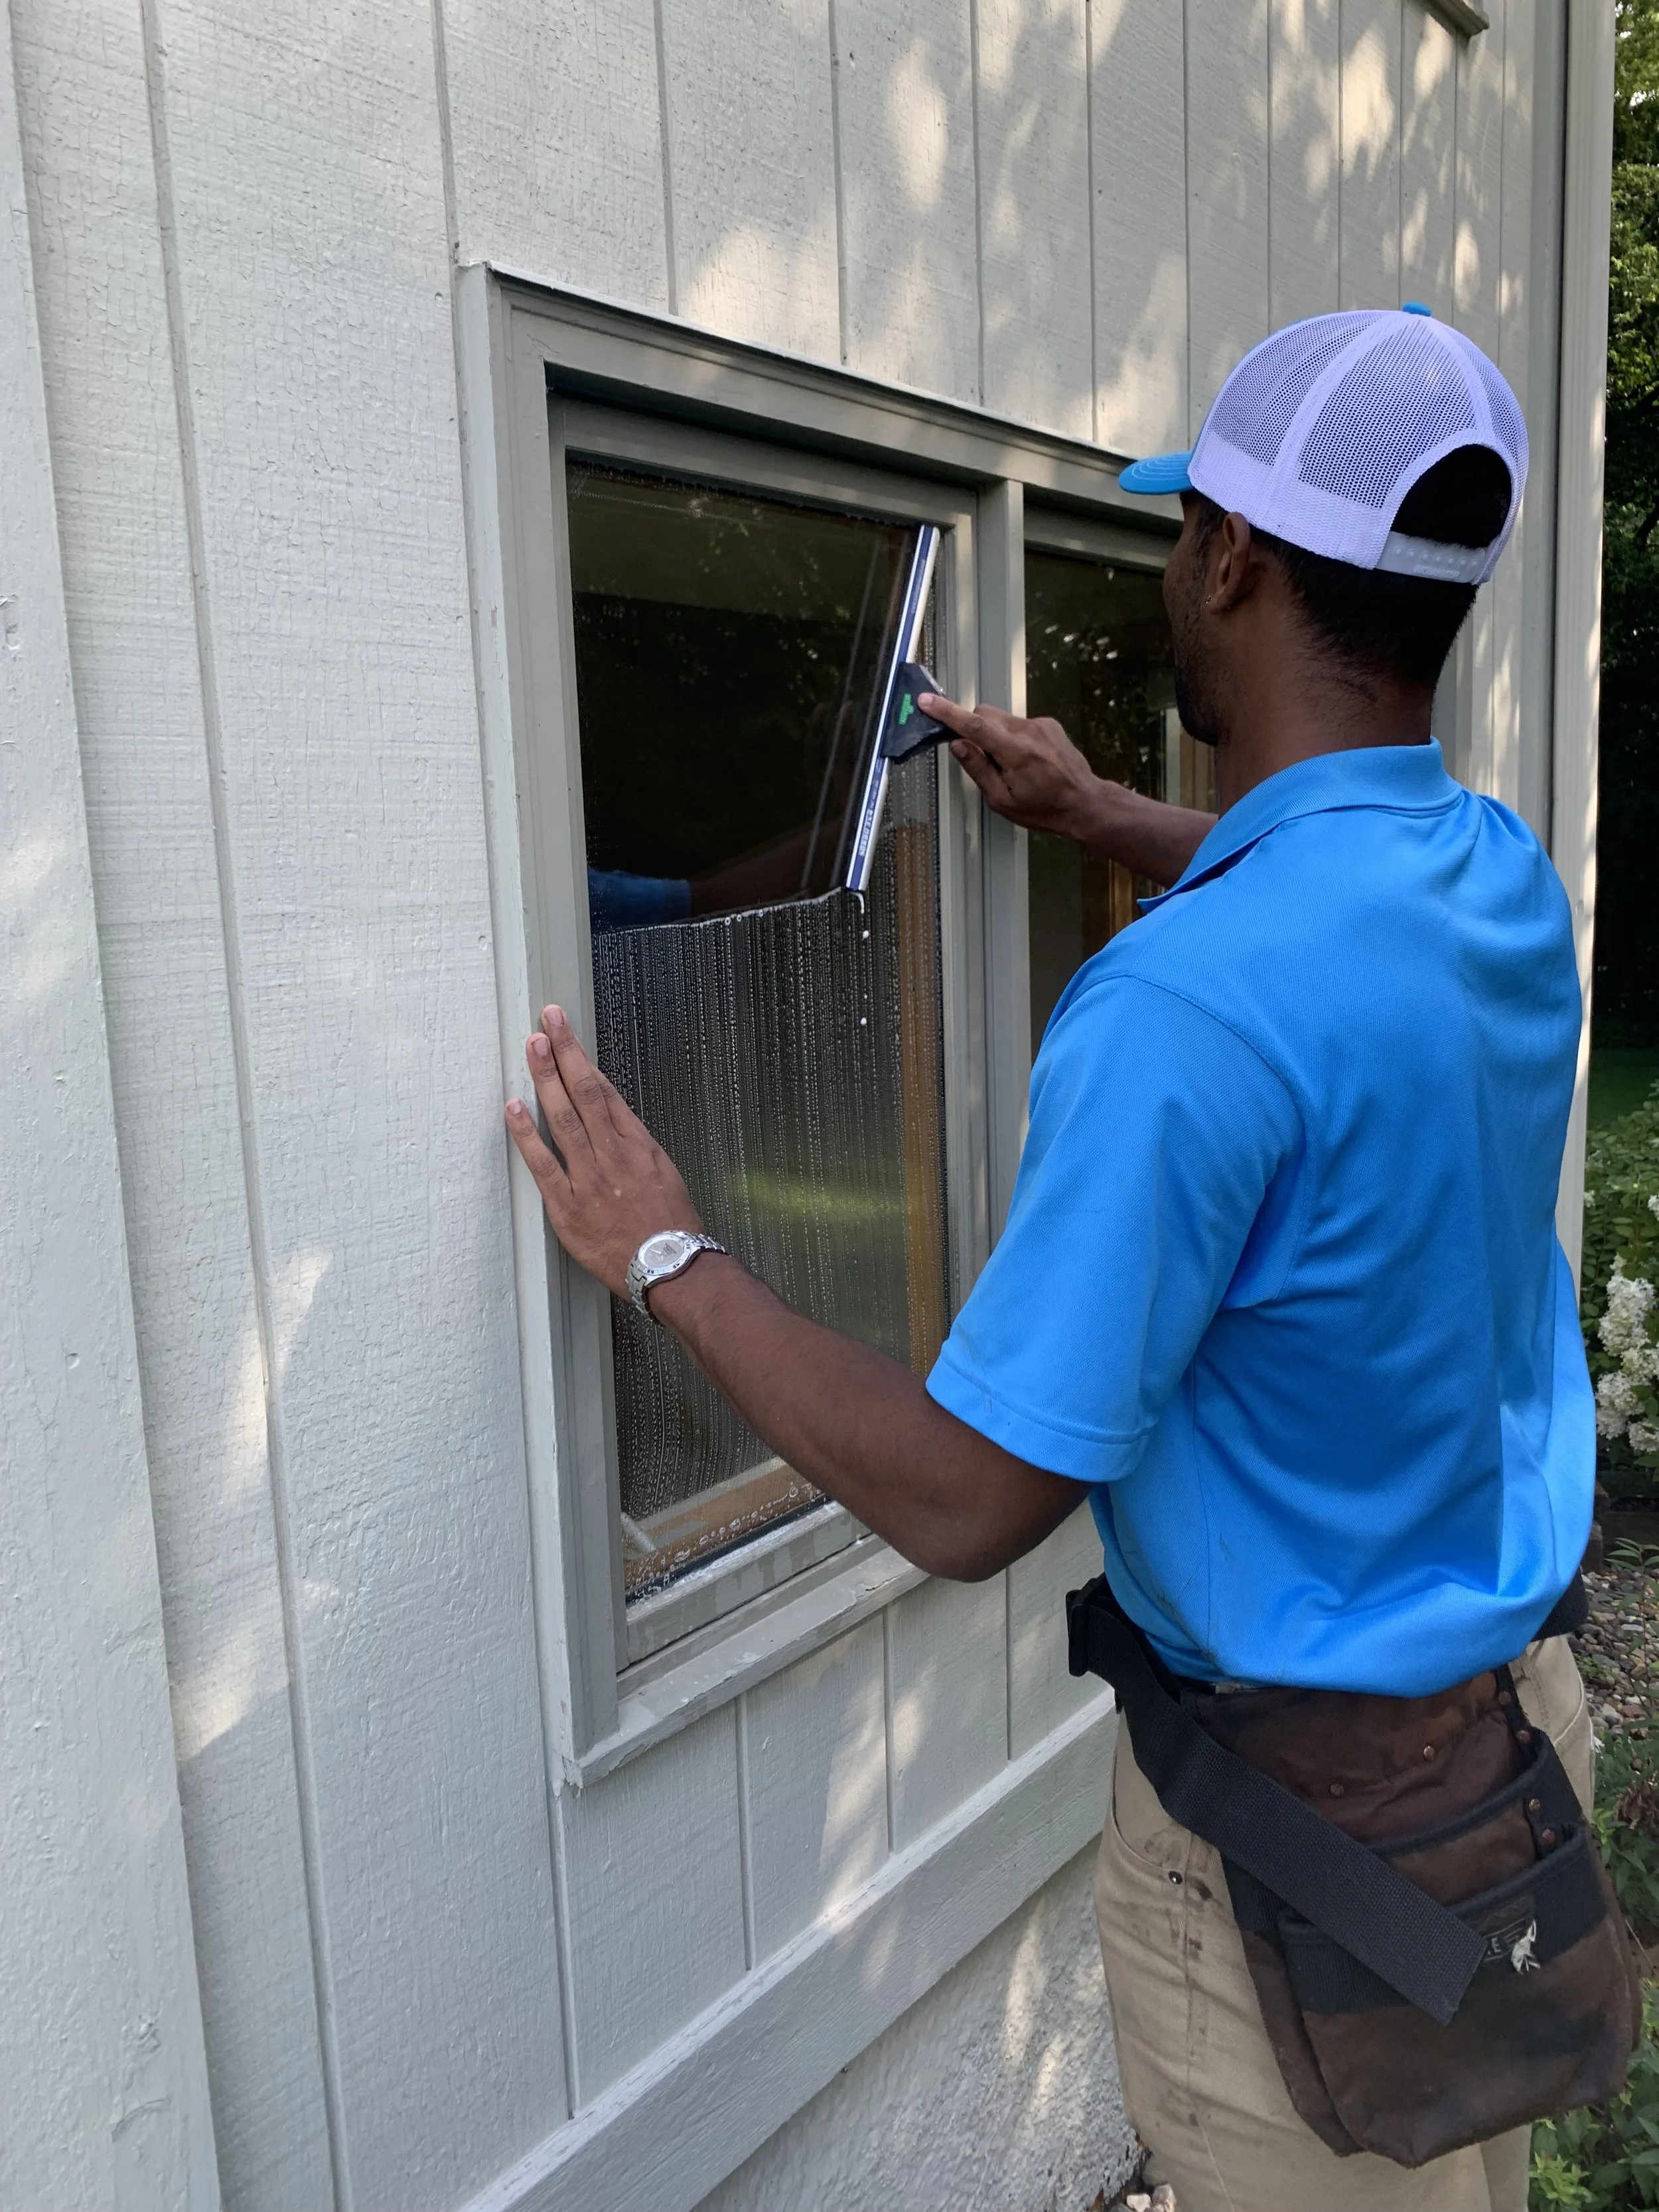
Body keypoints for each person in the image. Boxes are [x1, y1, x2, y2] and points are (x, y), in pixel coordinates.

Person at [504, 309, 1601, 2212]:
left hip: (1302, 1854)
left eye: (1182, 534)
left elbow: (966, 1494)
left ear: (1232, 559)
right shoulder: (1494, 879)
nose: (1175, 567)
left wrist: (659, 1242)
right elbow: (1326, 903)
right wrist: (1103, 814)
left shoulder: (1178, 1013)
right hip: (1505, 1765)